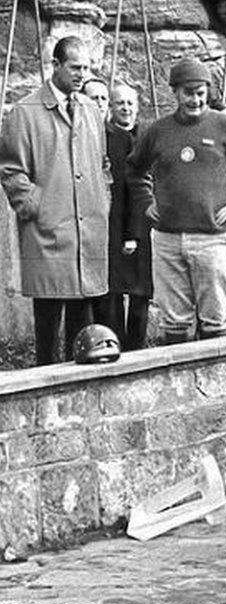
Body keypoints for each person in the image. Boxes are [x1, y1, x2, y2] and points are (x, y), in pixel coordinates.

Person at [127, 57, 226, 345]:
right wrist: (146, 201)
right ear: (175, 92)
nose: (195, 100)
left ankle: (217, 379)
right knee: (174, 318)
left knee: (217, 315)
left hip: (212, 238)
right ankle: (179, 382)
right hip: (167, 239)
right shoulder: (157, 131)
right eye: (188, 93)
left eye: (200, 93)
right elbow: (134, 170)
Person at [0, 36, 111, 365]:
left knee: (84, 332)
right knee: (48, 329)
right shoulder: (26, 112)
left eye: (87, 68)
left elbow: (102, 167)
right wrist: (35, 206)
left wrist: (101, 201)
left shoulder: (91, 110)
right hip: (47, 235)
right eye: (75, 67)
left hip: (86, 236)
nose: (82, 74)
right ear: (56, 66)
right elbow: (11, 171)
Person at [98, 82, 153, 351]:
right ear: (111, 107)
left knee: (141, 292)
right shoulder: (104, 138)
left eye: (131, 103)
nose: (126, 108)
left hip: (144, 224)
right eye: (120, 103)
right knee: (115, 291)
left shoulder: (147, 137)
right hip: (115, 223)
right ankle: (116, 342)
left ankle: (137, 347)